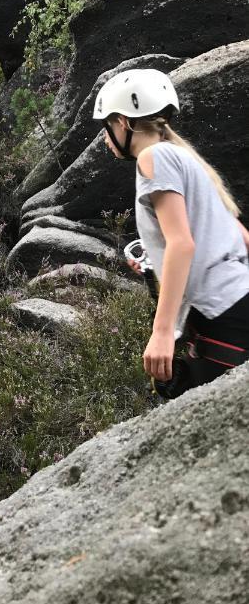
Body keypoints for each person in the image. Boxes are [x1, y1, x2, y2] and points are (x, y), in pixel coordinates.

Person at [93, 68, 249, 398]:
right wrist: (156, 261)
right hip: (239, 302)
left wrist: (162, 333)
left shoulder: (152, 158)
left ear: (123, 122)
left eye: (106, 128)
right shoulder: (185, 158)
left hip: (218, 315)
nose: (105, 139)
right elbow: (239, 236)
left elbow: (181, 243)